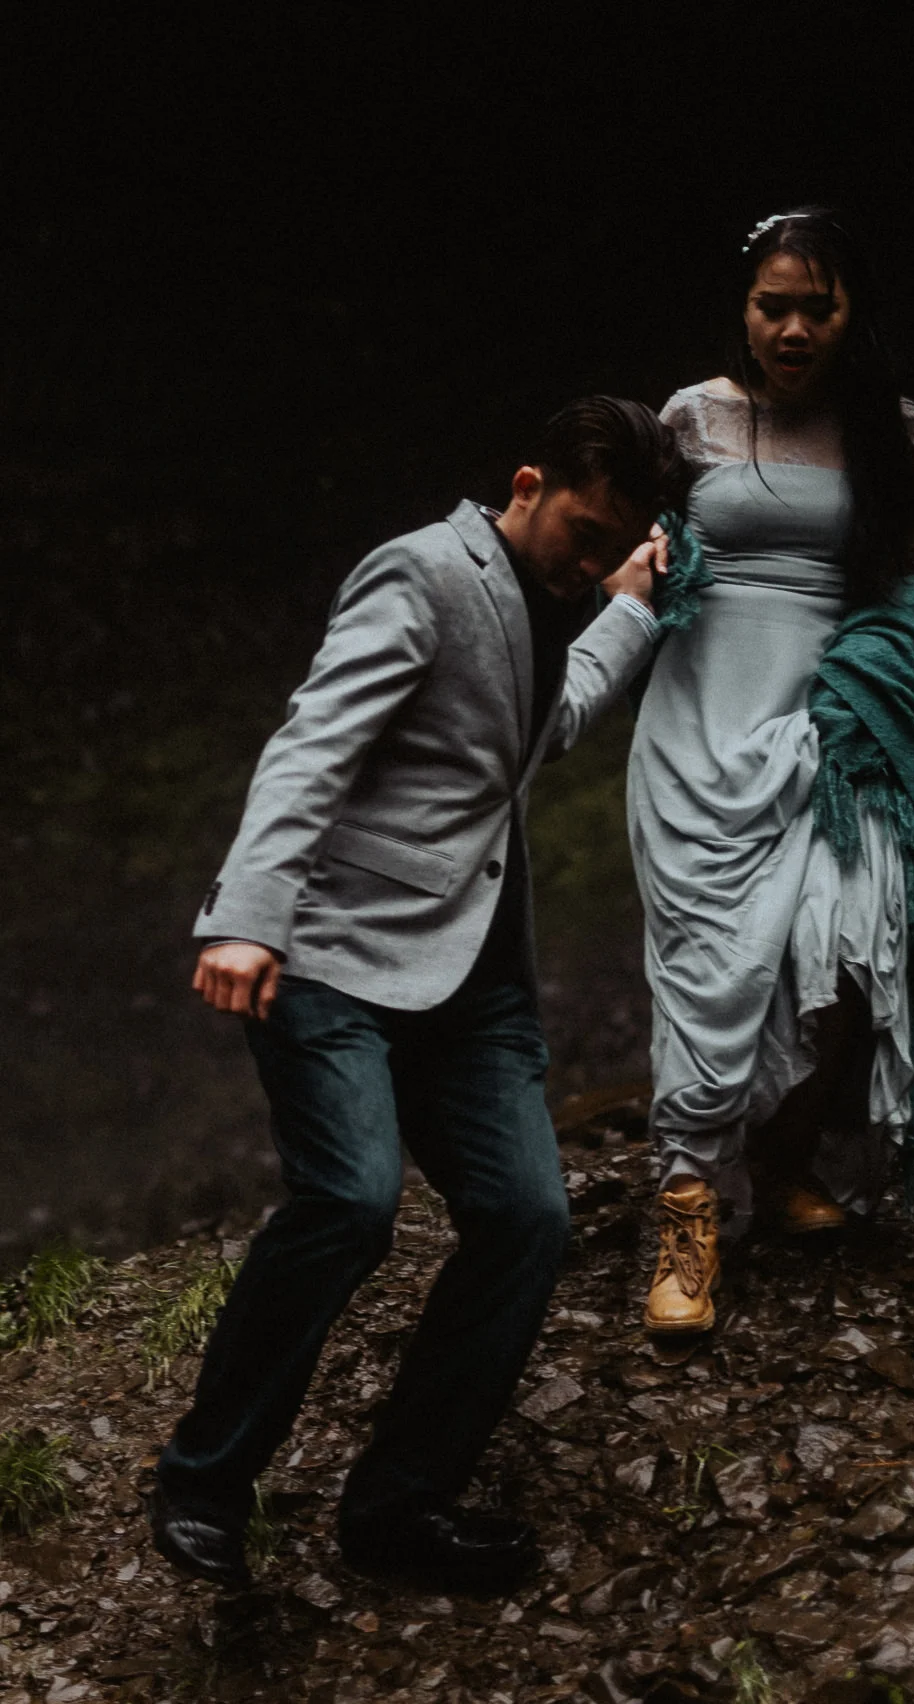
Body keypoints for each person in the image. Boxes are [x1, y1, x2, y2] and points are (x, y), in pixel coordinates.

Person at [149, 397, 687, 1590]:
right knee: (350, 1197)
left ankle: (396, 1513)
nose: (589, 562)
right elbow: (315, 740)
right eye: (581, 535)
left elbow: (537, 730)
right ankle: (203, 1482)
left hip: (473, 976)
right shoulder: (424, 572)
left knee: (528, 1220)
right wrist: (246, 917)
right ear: (528, 481)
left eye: (614, 547)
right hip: (331, 951)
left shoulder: (567, 600)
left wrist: (631, 612)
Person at [630, 208, 914, 1335]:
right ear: (741, 306)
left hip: (834, 727)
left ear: (848, 313)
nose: (789, 327)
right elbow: (635, 554)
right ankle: (686, 1220)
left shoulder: (888, 433)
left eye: (813, 307)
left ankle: (776, 1165)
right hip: (697, 730)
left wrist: (892, 666)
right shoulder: (691, 421)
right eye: (771, 304)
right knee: (712, 967)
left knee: (850, 941)